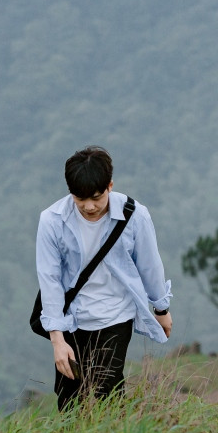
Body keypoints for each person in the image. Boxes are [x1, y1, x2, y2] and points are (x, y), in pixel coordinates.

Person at [35, 146, 172, 410]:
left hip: (115, 318)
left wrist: (161, 308)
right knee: (69, 401)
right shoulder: (52, 221)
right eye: (80, 198)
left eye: (96, 198)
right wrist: (57, 340)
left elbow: (150, 265)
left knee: (105, 392)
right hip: (71, 320)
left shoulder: (134, 215)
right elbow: (49, 279)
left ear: (110, 185)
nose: (89, 206)